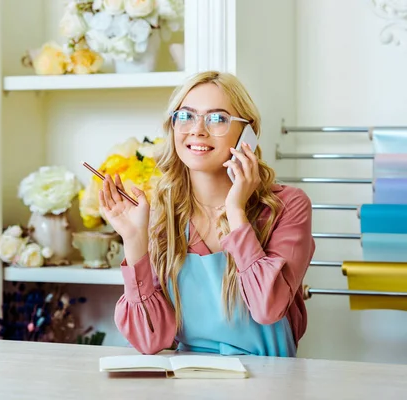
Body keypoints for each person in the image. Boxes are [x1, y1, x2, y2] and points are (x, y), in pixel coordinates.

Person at [98, 71, 316, 357]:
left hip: (266, 381)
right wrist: (135, 241)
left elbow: (268, 308)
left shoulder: (287, 206)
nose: (197, 130)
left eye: (217, 119)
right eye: (186, 116)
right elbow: (150, 341)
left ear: (246, 133)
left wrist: (236, 211)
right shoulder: (164, 211)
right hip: (187, 378)